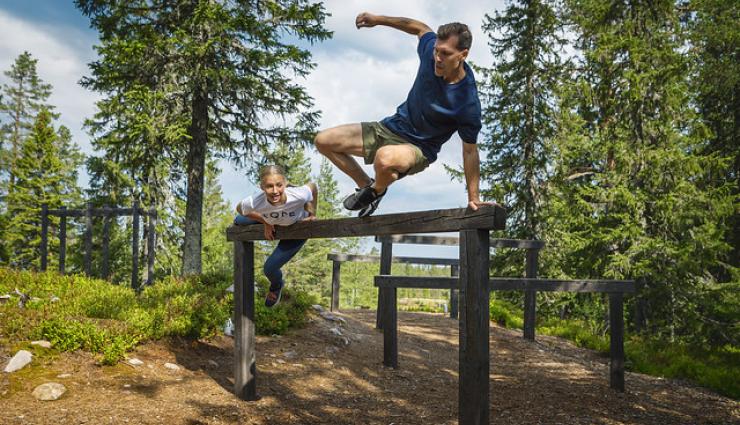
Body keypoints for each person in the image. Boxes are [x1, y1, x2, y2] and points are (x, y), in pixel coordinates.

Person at [314, 12, 493, 217]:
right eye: (436, 50)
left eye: (445, 53)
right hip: (390, 127)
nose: (437, 58)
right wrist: (377, 20)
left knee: (384, 159)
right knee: (323, 141)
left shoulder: (467, 101)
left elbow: (470, 151)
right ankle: (367, 188)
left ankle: (377, 190)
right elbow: (420, 28)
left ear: (463, 54)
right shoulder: (430, 53)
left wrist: (473, 197)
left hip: (418, 148)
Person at [234, 165, 317, 307]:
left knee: (269, 269)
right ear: (261, 187)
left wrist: (312, 213)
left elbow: (313, 187)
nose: (275, 191)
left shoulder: (298, 195)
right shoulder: (255, 201)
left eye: (279, 185)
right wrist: (265, 221)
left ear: (285, 183)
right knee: (238, 220)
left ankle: (276, 285)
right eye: (269, 186)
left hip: (295, 230)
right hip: (272, 218)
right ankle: (267, 217)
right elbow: (240, 209)